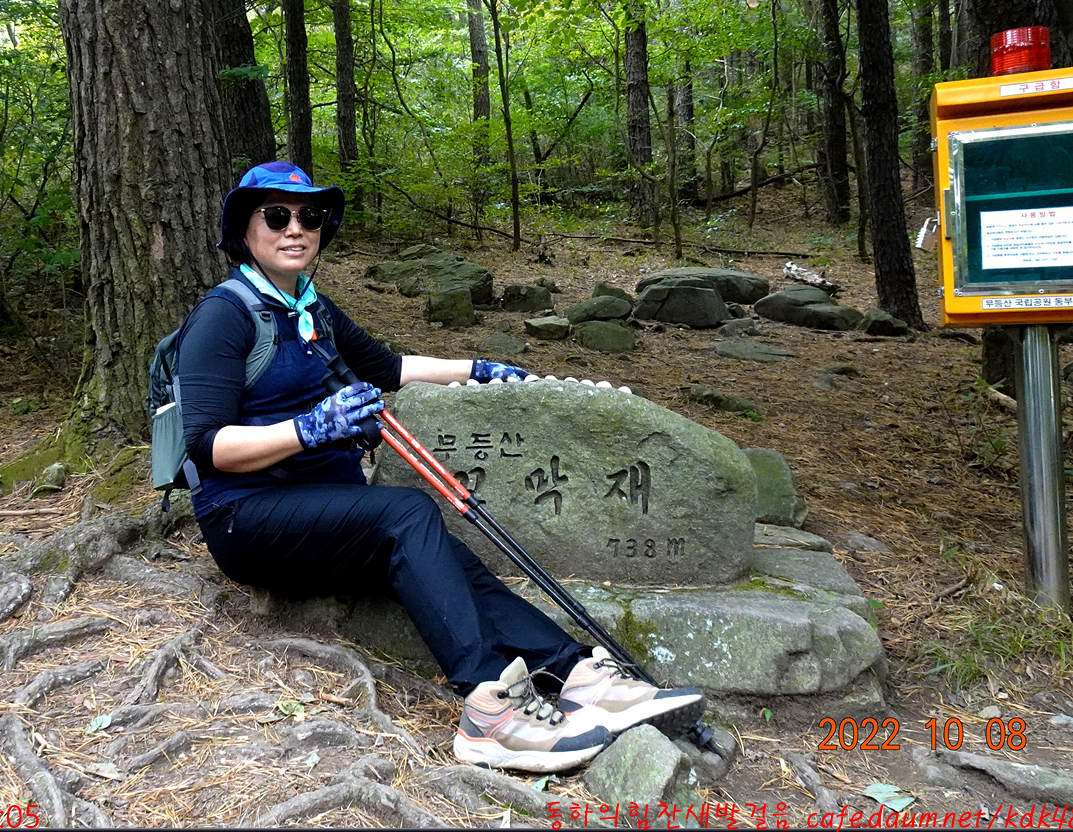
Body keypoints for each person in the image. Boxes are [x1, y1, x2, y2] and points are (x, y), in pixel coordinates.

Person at [177, 161, 704, 772]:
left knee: (452, 560)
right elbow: (206, 444)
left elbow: (389, 367)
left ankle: (578, 674)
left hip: (326, 509)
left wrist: (481, 370)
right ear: (245, 231)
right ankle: (488, 711)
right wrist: (310, 428)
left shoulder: (311, 309)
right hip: (246, 517)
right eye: (276, 216)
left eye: (310, 216)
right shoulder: (224, 316)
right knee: (408, 513)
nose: (295, 229)